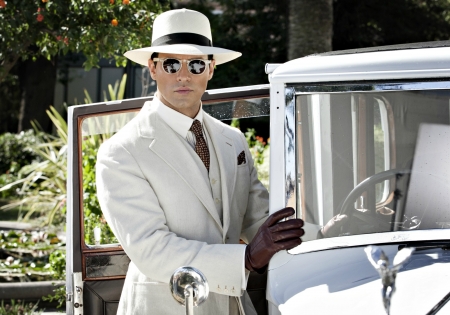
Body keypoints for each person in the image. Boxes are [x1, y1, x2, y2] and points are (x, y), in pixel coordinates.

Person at [96, 8, 304, 315]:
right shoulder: (122, 151)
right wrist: (245, 258)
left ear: (211, 69)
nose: (183, 75)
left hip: (232, 306)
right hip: (164, 307)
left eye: (195, 64)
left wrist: (325, 233)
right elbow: (152, 250)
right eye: (170, 64)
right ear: (153, 69)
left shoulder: (232, 139)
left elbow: (260, 216)